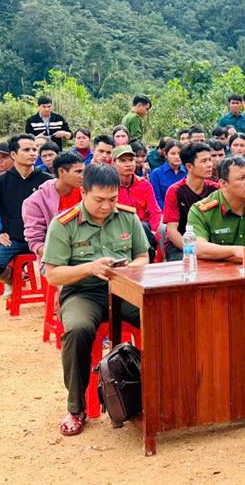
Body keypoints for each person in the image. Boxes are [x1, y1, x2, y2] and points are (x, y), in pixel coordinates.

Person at [42, 164, 148, 437]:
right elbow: (53, 275)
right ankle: (76, 408)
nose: (106, 206)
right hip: (82, 293)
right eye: (99, 199)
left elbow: (143, 257)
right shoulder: (64, 224)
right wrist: (90, 268)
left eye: (112, 199)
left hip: (124, 290)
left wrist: (128, 269)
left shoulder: (128, 217)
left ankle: (157, 392)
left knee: (160, 319)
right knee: (77, 330)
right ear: (83, 192)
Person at [0, 134, 53, 295]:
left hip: (44, 239)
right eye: (26, 150)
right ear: (13, 154)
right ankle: (13, 278)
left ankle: (58, 299)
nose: (32, 153)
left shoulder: (47, 181)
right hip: (13, 239)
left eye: (34, 149)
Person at [163, 143, 219, 261]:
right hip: (181, 246)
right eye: (204, 161)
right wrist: (191, 250)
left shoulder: (216, 189)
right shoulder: (175, 191)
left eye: (210, 160)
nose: (210, 164)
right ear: (189, 166)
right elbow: (172, 231)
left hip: (209, 244)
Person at [23, 152, 84, 258]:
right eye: (78, 172)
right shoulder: (35, 202)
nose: (83, 176)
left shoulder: (87, 192)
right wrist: (58, 257)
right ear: (61, 171)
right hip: (56, 257)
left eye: (84, 171)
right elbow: (36, 242)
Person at [113, 145, 162, 255]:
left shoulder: (144, 184)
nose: (128, 164)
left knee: (146, 228)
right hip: (120, 230)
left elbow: (155, 211)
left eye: (131, 160)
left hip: (145, 230)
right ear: (113, 163)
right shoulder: (109, 187)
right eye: (123, 161)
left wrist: (154, 231)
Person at [149, 140, 186, 210]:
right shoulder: (156, 173)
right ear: (166, 155)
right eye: (173, 154)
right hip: (164, 212)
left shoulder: (188, 172)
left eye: (179, 153)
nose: (177, 157)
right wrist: (168, 212)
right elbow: (157, 198)